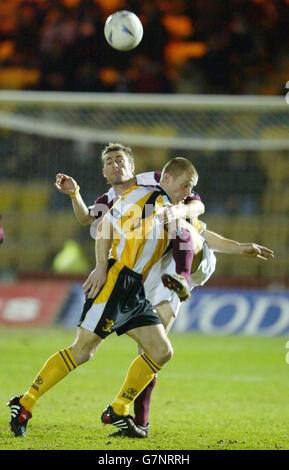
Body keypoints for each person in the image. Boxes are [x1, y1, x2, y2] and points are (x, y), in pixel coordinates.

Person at [53, 143, 274, 438]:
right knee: (151, 352)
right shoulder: (111, 200)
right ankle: (139, 422)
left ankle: (182, 279)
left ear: (133, 165)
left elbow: (198, 210)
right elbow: (87, 220)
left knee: (181, 228)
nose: (115, 165)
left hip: (187, 256)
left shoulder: (156, 181)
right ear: (104, 172)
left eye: (120, 160)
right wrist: (75, 194)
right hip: (157, 270)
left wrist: (180, 210)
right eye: (109, 162)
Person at [7, 157, 204, 439]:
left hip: (135, 288)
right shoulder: (145, 197)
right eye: (185, 185)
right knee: (83, 351)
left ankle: (119, 408)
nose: (188, 191)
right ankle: (25, 403)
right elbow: (103, 226)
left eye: (191, 187)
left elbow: (195, 215)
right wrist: (101, 266)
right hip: (116, 280)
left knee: (161, 352)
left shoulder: (170, 207)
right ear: (168, 179)